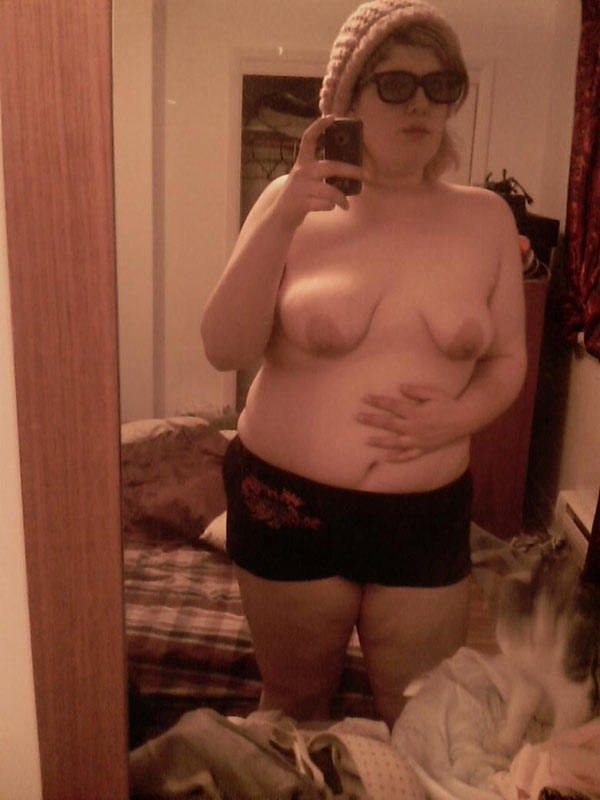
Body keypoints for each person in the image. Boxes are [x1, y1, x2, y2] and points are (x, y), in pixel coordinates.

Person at [201, 0, 526, 729]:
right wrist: (284, 214)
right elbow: (225, 347)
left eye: (441, 85)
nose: (421, 104)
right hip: (287, 505)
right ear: (346, 98)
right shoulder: (291, 205)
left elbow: (508, 361)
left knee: (421, 722)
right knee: (294, 707)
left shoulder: (486, 220)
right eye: (395, 84)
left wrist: (456, 417)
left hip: (424, 517)